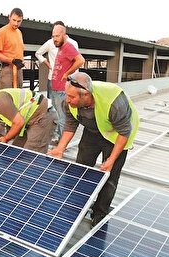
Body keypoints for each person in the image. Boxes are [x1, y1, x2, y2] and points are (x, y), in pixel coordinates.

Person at [47, 72, 139, 227]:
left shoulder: (114, 102)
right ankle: (78, 204)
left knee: (109, 176)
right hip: (93, 131)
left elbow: (124, 132)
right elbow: (70, 124)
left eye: (72, 97)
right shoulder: (69, 103)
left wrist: (111, 159)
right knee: (81, 168)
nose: (67, 100)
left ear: (86, 95)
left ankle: (100, 213)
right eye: (67, 95)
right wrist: (60, 148)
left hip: (116, 136)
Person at [0, 88, 56, 153]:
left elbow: (19, 122)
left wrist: (6, 138)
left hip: (42, 115)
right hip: (28, 121)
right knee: (14, 152)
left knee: (31, 156)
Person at [49, 24, 85, 144]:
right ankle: (59, 140)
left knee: (63, 118)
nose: (55, 39)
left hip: (62, 90)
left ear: (64, 35)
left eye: (57, 36)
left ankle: (61, 143)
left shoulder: (68, 47)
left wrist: (68, 72)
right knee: (59, 116)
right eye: (53, 36)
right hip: (55, 88)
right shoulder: (60, 48)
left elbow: (80, 60)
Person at [35, 21, 79, 99]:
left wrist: (70, 75)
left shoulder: (73, 43)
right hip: (53, 78)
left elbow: (77, 62)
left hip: (68, 80)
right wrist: (48, 65)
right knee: (51, 105)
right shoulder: (50, 42)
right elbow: (38, 53)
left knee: (67, 106)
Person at [0, 8, 25, 89]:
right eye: (14, 20)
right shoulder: (1, 32)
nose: (16, 23)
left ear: (22, 20)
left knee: (19, 96)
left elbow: (19, 51)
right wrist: (12, 61)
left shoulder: (19, 33)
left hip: (19, 70)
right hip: (7, 70)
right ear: (9, 17)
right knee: (6, 97)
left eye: (19, 21)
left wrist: (21, 62)